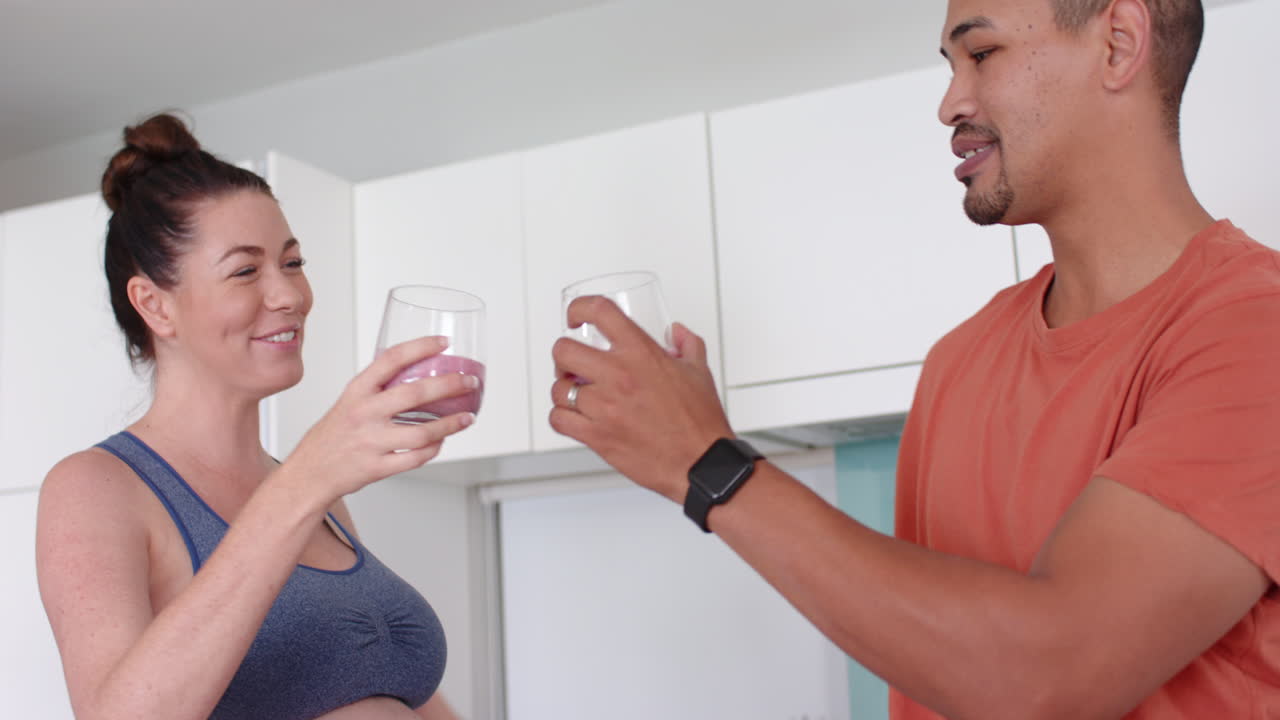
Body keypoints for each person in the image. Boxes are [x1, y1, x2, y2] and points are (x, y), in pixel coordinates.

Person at [549, 0, 1279, 717]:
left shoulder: (1256, 329)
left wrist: (708, 464)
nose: (950, 102)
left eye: (982, 53)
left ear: (1118, 43)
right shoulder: (959, 365)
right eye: (950, 65)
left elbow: (1046, 675)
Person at [36, 113, 475, 720]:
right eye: (246, 270)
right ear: (154, 305)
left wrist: (306, 484)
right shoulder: (96, 489)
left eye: (292, 263)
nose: (290, 295)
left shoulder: (316, 496)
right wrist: (304, 482)